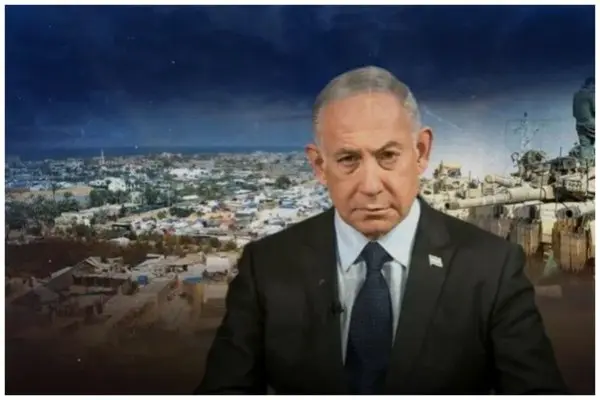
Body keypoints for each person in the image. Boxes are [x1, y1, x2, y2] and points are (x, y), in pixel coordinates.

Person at [196, 66, 568, 395]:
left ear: (421, 152)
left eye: (388, 156)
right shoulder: (266, 267)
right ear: (319, 166)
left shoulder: (491, 268)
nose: (371, 185)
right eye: (348, 159)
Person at [572, 76, 595, 161]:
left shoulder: (576, 95)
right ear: (592, 84)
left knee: (585, 146)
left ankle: (585, 165)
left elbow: (574, 113)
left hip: (580, 124)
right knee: (589, 145)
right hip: (591, 124)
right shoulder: (591, 94)